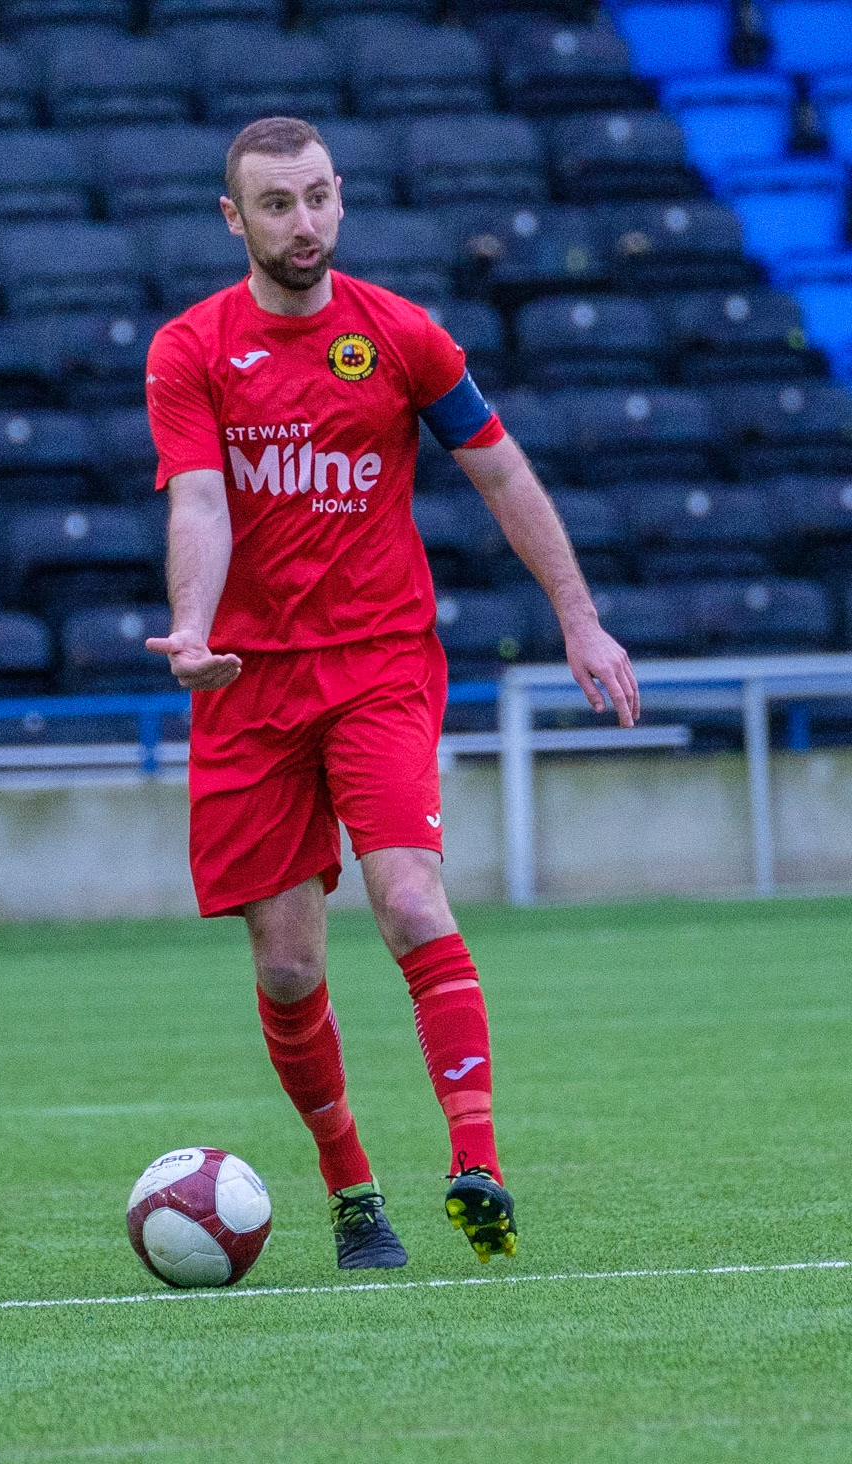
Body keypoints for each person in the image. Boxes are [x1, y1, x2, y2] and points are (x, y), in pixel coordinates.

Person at [144, 116, 640, 1272]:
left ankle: (477, 1161)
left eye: (318, 197)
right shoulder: (191, 350)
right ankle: (351, 1190)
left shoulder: (403, 335)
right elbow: (201, 505)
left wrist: (578, 617)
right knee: (288, 966)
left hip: (378, 665)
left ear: (340, 199)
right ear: (236, 220)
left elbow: (502, 470)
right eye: (276, 203)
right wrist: (195, 629)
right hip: (246, 684)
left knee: (412, 899)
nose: (303, 222)